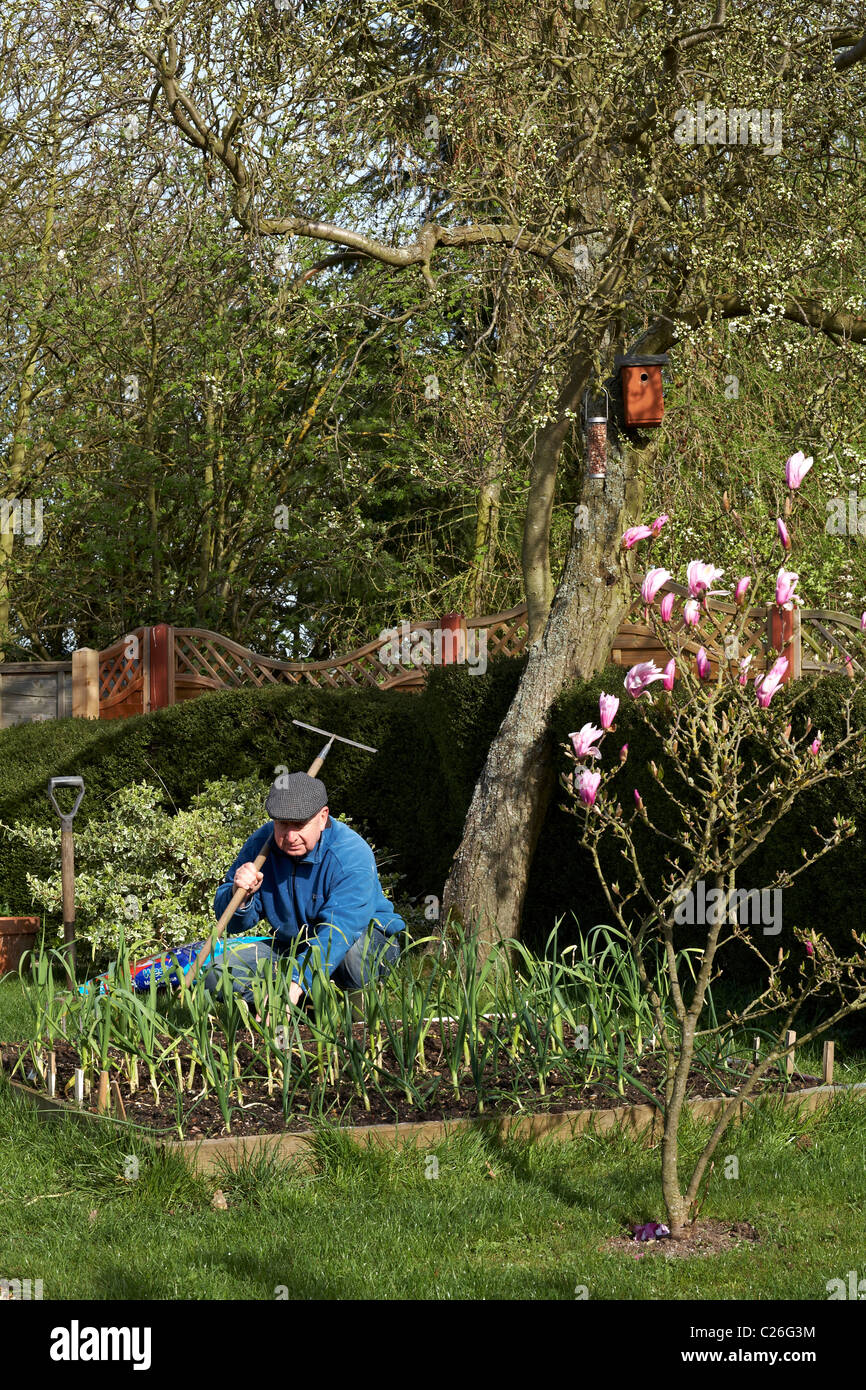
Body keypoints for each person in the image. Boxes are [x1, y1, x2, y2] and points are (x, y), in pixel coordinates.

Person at [206, 771, 404, 1009]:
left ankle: (356, 1011)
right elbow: (232, 924)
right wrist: (241, 896)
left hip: (361, 941)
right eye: (282, 824)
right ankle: (291, 1006)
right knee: (217, 972)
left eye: (299, 825)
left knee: (354, 957)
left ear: (322, 817)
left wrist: (296, 979)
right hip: (294, 945)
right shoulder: (261, 846)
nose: (290, 836)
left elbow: (338, 933)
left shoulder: (350, 854)